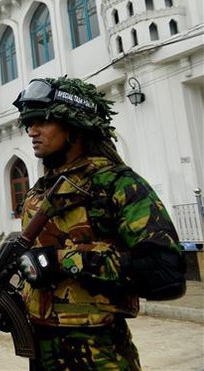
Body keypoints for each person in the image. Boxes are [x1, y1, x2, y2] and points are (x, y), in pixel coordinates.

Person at [12, 76, 185, 370]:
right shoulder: (40, 192)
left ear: (75, 128)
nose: (33, 131)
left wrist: (61, 261)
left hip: (98, 355)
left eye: (43, 121)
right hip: (41, 351)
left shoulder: (117, 184)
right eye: (30, 122)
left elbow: (166, 272)